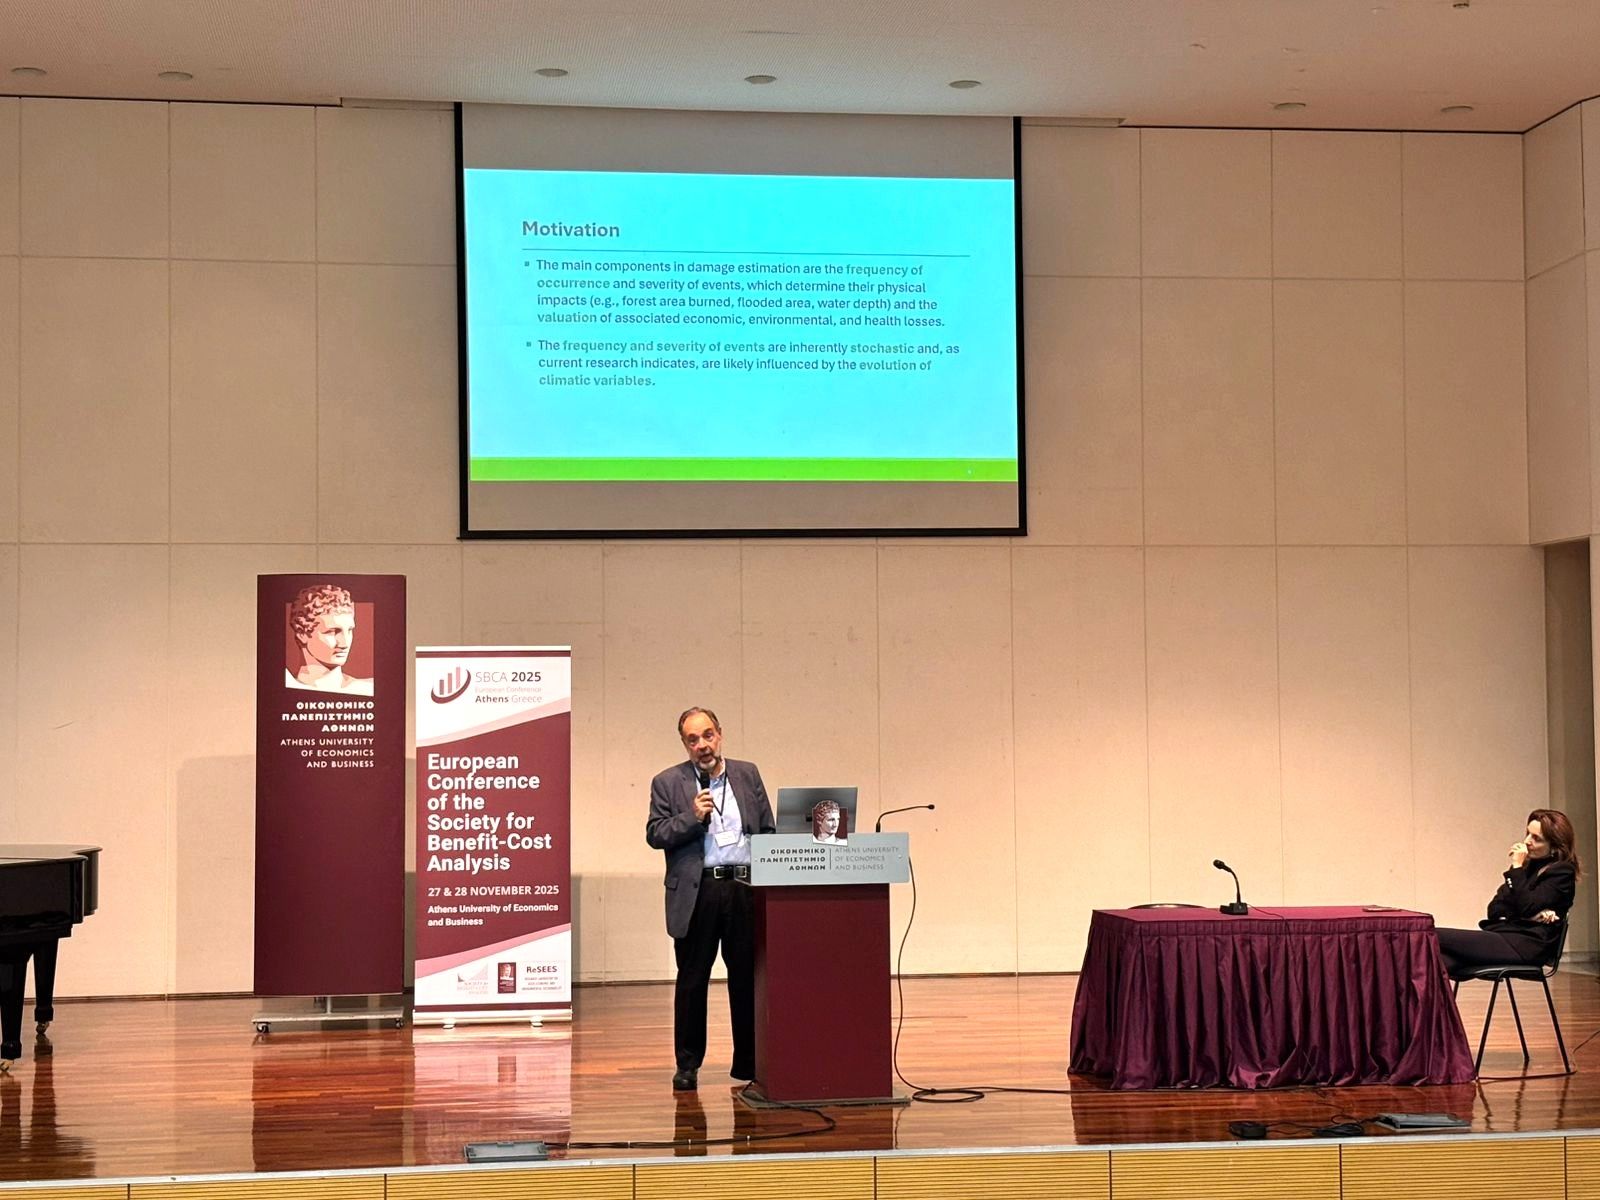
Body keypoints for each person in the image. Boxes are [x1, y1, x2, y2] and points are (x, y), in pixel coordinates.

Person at [645, 706, 775, 1092]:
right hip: (697, 892)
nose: (702, 745)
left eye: (707, 735)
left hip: (743, 889)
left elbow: (766, 830)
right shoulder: (668, 782)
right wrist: (691, 817)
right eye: (692, 739)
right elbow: (655, 834)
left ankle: (749, 1061)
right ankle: (687, 1065)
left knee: (746, 978)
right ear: (685, 744)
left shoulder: (747, 774)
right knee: (692, 981)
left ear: (719, 734)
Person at [1436, 809, 1581, 979]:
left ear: (1555, 847)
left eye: (1536, 838)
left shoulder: (1561, 872)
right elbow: (1495, 909)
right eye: (1528, 834)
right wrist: (1529, 916)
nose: (1527, 842)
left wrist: (1517, 869)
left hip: (1527, 946)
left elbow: (1526, 906)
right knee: (1440, 960)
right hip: (1506, 936)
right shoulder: (1525, 870)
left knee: (1431, 934)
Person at [285, 584, 373, 695]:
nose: (344, 643)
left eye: (349, 630)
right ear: (302, 633)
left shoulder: (368, 688)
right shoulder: (283, 689)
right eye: (332, 632)